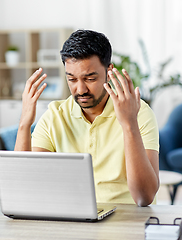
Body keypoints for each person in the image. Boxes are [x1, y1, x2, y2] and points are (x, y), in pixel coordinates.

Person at [14, 29, 159, 206]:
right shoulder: (54, 116)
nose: (81, 89)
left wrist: (129, 125)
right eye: (72, 79)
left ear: (109, 70)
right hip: (72, 219)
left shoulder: (138, 113)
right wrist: (24, 124)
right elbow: (24, 188)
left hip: (127, 219)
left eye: (90, 78)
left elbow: (144, 197)